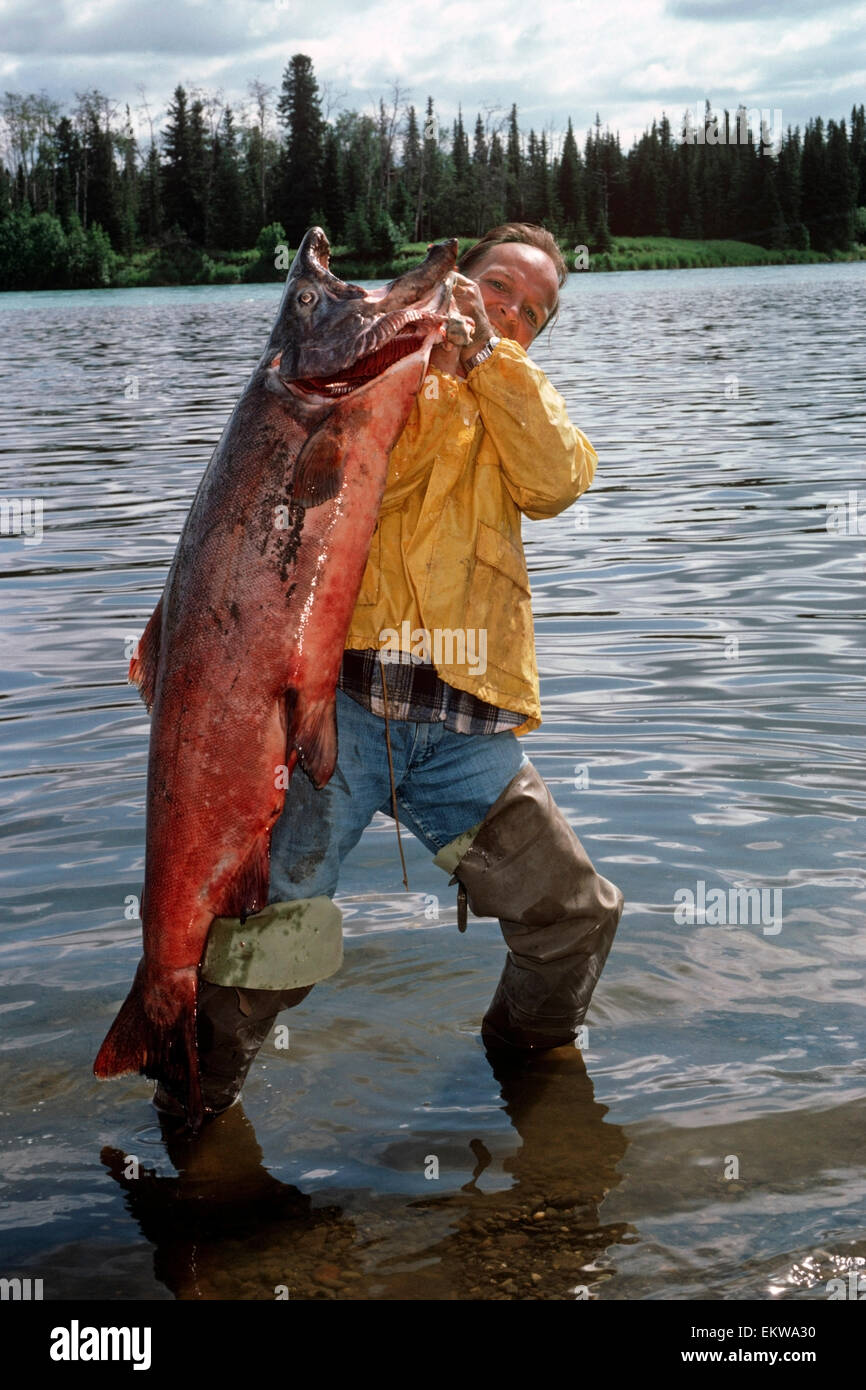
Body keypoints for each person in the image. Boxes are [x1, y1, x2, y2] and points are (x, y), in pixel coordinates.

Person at [154, 223, 625, 1122]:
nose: (508, 312)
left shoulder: (521, 400)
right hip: (345, 717)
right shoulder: (385, 381)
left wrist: (491, 366)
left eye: (533, 310)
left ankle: (529, 1074)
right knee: (270, 947)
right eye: (496, 286)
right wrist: (426, 363)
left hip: (464, 729)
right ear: (462, 283)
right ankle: (187, 1105)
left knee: (573, 917)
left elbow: (560, 481)